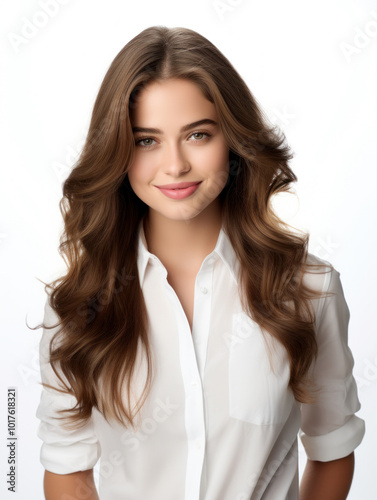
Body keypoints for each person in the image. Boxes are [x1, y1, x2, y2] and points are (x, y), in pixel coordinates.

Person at [35, 26, 365, 500]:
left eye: (197, 135)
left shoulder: (308, 289)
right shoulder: (77, 307)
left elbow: (332, 446)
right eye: (146, 140)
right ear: (118, 151)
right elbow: (66, 464)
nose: (174, 165)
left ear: (232, 139)